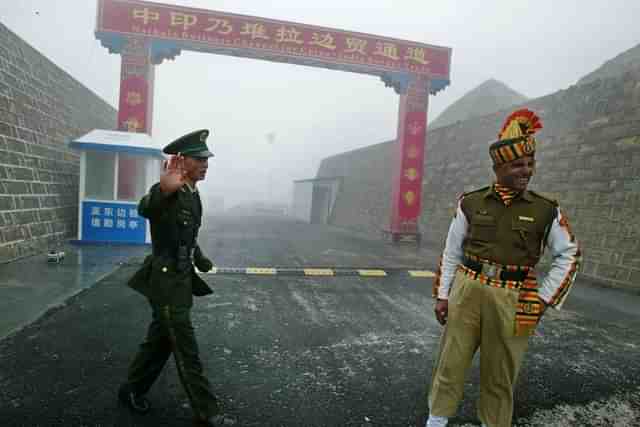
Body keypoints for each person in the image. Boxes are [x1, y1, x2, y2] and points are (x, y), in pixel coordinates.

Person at [423, 109, 581, 427]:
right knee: (450, 363)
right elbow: (451, 251)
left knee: (501, 372)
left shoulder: (545, 209)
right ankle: (436, 421)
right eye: (517, 165)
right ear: (498, 168)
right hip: (467, 290)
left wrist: (543, 299)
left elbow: (570, 254)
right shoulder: (471, 202)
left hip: (514, 297)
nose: (526, 171)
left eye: (530, 164)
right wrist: (443, 295)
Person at [118, 129, 235, 427]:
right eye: (199, 159)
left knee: (160, 342)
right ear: (182, 161)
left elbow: (186, 236)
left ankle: (131, 389)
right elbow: (146, 208)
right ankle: (207, 413)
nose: (206, 164)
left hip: (181, 280)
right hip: (167, 281)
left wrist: (199, 257)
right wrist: (163, 189)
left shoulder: (193, 195)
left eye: (207, 159)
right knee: (186, 347)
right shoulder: (170, 192)